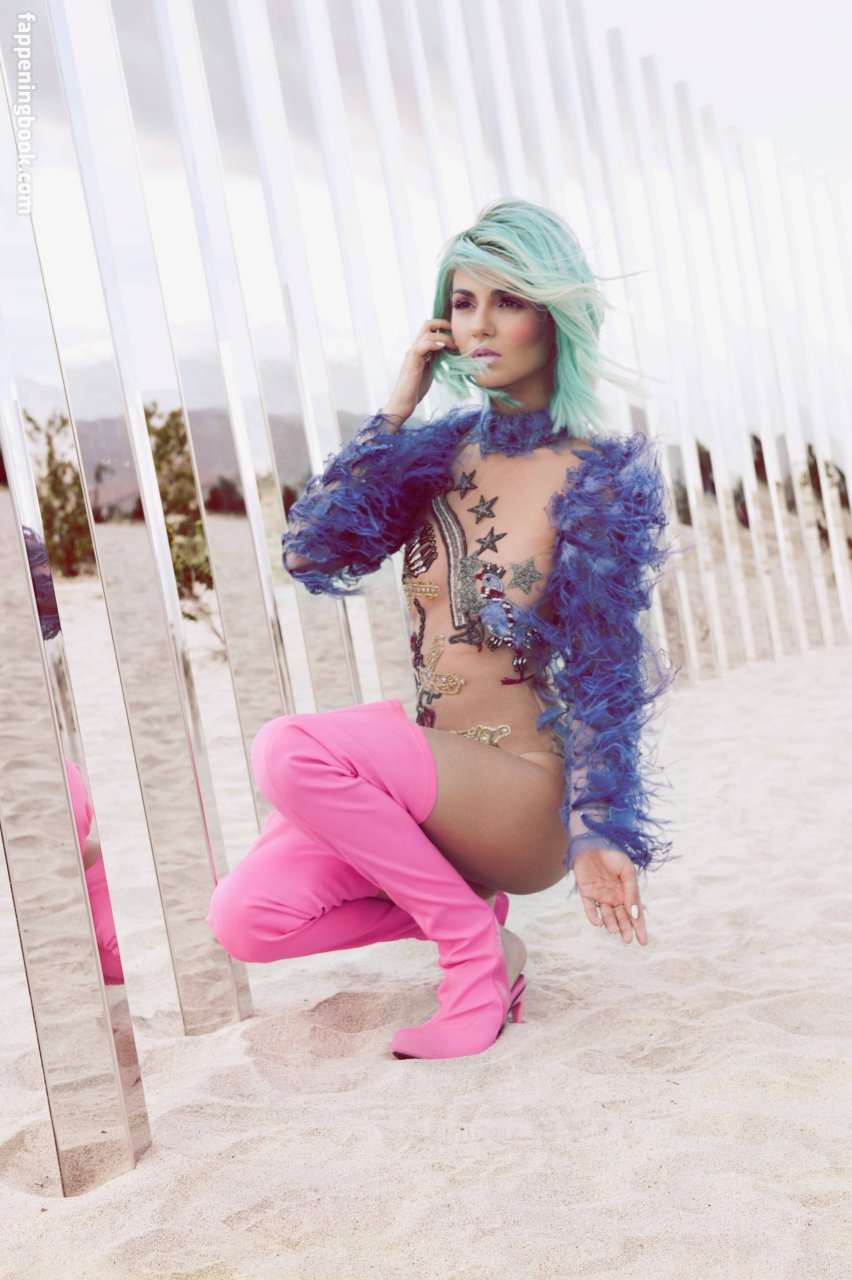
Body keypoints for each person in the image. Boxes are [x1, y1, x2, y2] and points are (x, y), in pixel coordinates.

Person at [206, 198, 677, 1060]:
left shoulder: (598, 476)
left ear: (553, 317)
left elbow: (607, 668)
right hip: (421, 790)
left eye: (509, 301)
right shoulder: (433, 455)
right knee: (247, 918)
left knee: (288, 748)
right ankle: (478, 927)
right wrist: (397, 408)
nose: (480, 325)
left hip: (518, 794)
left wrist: (600, 826)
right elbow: (313, 552)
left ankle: (469, 958)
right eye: (463, 303)